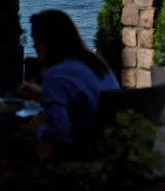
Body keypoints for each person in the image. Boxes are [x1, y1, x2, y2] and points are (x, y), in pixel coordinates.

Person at [23, 9, 119, 157]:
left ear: (48, 43)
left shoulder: (55, 75)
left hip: (80, 153)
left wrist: (39, 128)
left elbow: (60, 132)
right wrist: (43, 95)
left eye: (36, 41)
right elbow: (83, 103)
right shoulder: (96, 64)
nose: (34, 47)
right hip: (107, 147)